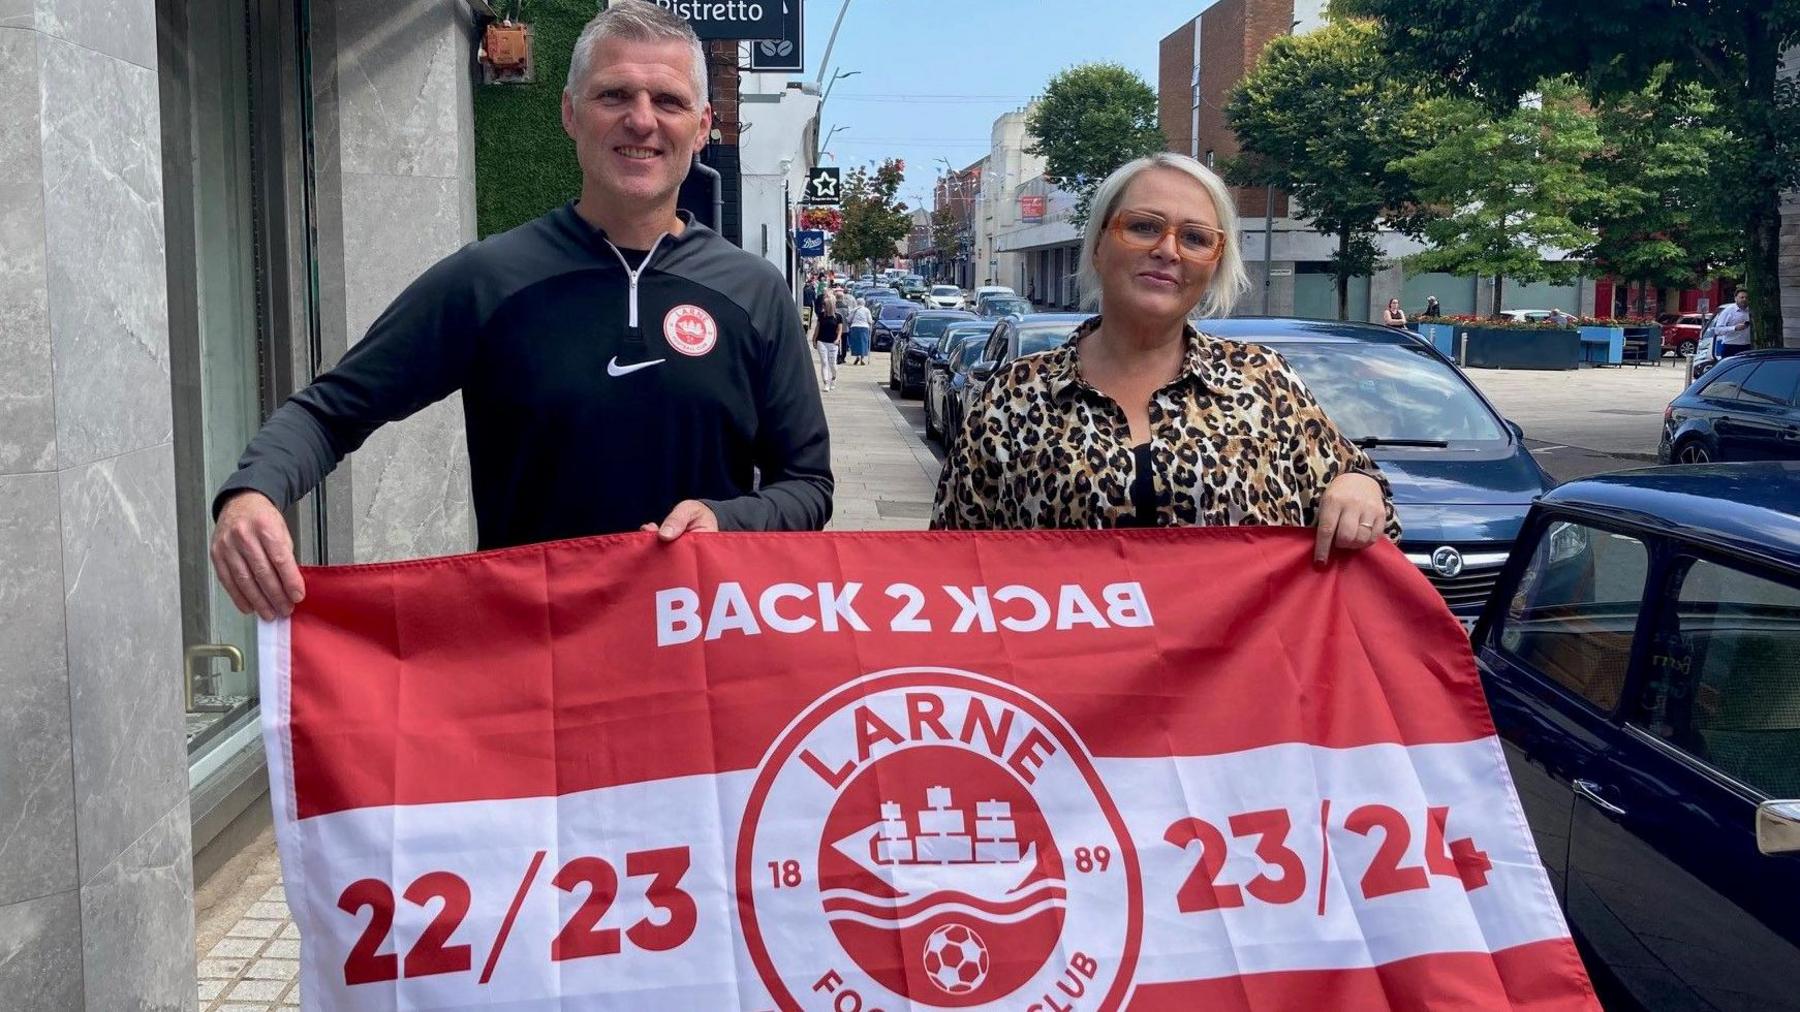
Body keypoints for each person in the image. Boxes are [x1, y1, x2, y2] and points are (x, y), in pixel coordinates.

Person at [208, 0, 832, 621]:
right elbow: (328, 413)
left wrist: (728, 520)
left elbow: (808, 486)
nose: (641, 121)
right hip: (532, 665)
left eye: (667, 101)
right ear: (570, 114)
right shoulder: (491, 279)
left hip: (700, 657)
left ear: (701, 127)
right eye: (613, 95)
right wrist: (252, 493)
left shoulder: (754, 291)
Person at [932, 152, 1398, 563]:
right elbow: (948, 563)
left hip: (1240, 664)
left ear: (1214, 263)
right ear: (1097, 245)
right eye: (1143, 227)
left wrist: (1361, 489)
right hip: (1065, 663)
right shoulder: (1015, 397)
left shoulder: (1263, 384)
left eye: (1195, 238)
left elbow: (1372, 509)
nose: (1167, 250)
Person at [810, 294, 843, 390]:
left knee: (832, 364)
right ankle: (826, 383)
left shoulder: (838, 317)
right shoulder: (821, 315)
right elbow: (818, 327)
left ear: (830, 305)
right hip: (822, 341)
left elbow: (840, 329)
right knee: (824, 362)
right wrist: (814, 338)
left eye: (825, 304)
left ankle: (834, 378)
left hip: (833, 342)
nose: (823, 306)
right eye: (823, 304)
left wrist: (837, 339)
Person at [1713, 287, 1753, 357]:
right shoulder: (1728, 311)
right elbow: (1717, 330)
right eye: (1742, 297)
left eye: (1746, 298)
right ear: (1735, 298)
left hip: (1747, 347)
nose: (1744, 299)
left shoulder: (1751, 311)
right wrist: (1734, 328)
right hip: (1730, 346)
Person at [847, 298, 874, 365]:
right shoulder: (866, 310)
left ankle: (857, 356)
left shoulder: (854, 310)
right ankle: (862, 358)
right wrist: (871, 322)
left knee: (856, 342)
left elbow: (849, 319)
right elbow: (870, 320)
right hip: (864, 327)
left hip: (855, 327)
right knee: (863, 343)